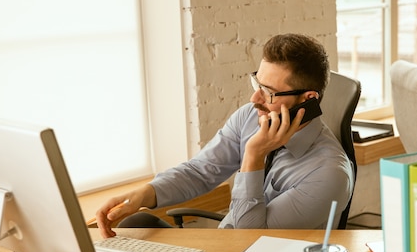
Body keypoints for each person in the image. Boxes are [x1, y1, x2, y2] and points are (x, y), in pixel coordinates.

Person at [95, 33, 354, 238]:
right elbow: (199, 172)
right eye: (256, 84)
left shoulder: (329, 174)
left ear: (308, 100)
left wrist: (253, 156)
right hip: (222, 248)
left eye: (268, 92)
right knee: (137, 224)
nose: (255, 99)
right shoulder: (251, 117)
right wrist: (143, 194)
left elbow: (249, 242)